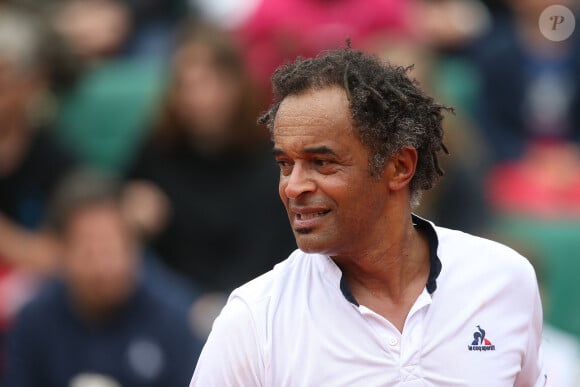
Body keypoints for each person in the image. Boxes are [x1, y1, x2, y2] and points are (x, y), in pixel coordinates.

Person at [189, 47, 546, 386]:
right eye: (285, 164)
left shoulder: (505, 279)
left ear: (398, 167)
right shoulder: (253, 320)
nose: (293, 187)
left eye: (321, 163)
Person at [4, 169, 202, 387]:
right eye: (88, 251)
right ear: (62, 251)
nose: (101, 267)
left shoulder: (174, 318)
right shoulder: (34, 321)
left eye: (110, 248)